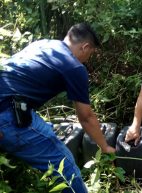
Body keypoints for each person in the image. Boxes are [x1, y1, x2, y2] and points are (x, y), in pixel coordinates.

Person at [0, 23, 115, 193]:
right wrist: (105, 148)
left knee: (47, 132)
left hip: (7, 109)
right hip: (9, 117)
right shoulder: (74, 66)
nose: (88, 59)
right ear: (85, 47)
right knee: (65, 165)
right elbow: (86, 117)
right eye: (90, 54)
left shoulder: (42, 44)